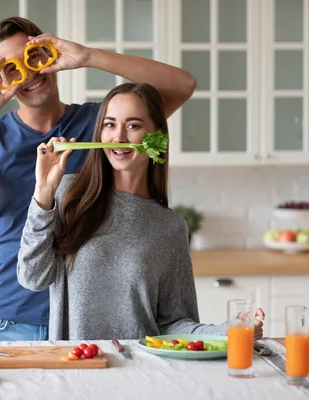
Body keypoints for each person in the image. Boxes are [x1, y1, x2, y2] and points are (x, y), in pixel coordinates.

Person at [0, 16, 198, 342]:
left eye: (33, 57)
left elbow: (182, 85)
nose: (28, 74)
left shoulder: (101, 126)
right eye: (10, 70)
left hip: (83, 321)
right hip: (6, 320)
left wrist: (86, 57)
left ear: (49, 55)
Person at [16, 82, 266, 340]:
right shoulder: (68, 194)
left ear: (157, 136)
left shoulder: (170, 226)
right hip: (77, 366)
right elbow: (32, 277)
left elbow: (174, 323)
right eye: (109, 124)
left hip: (143, 370)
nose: (118, 137)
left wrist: (226, 331)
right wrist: (43, 194)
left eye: (133, 125)